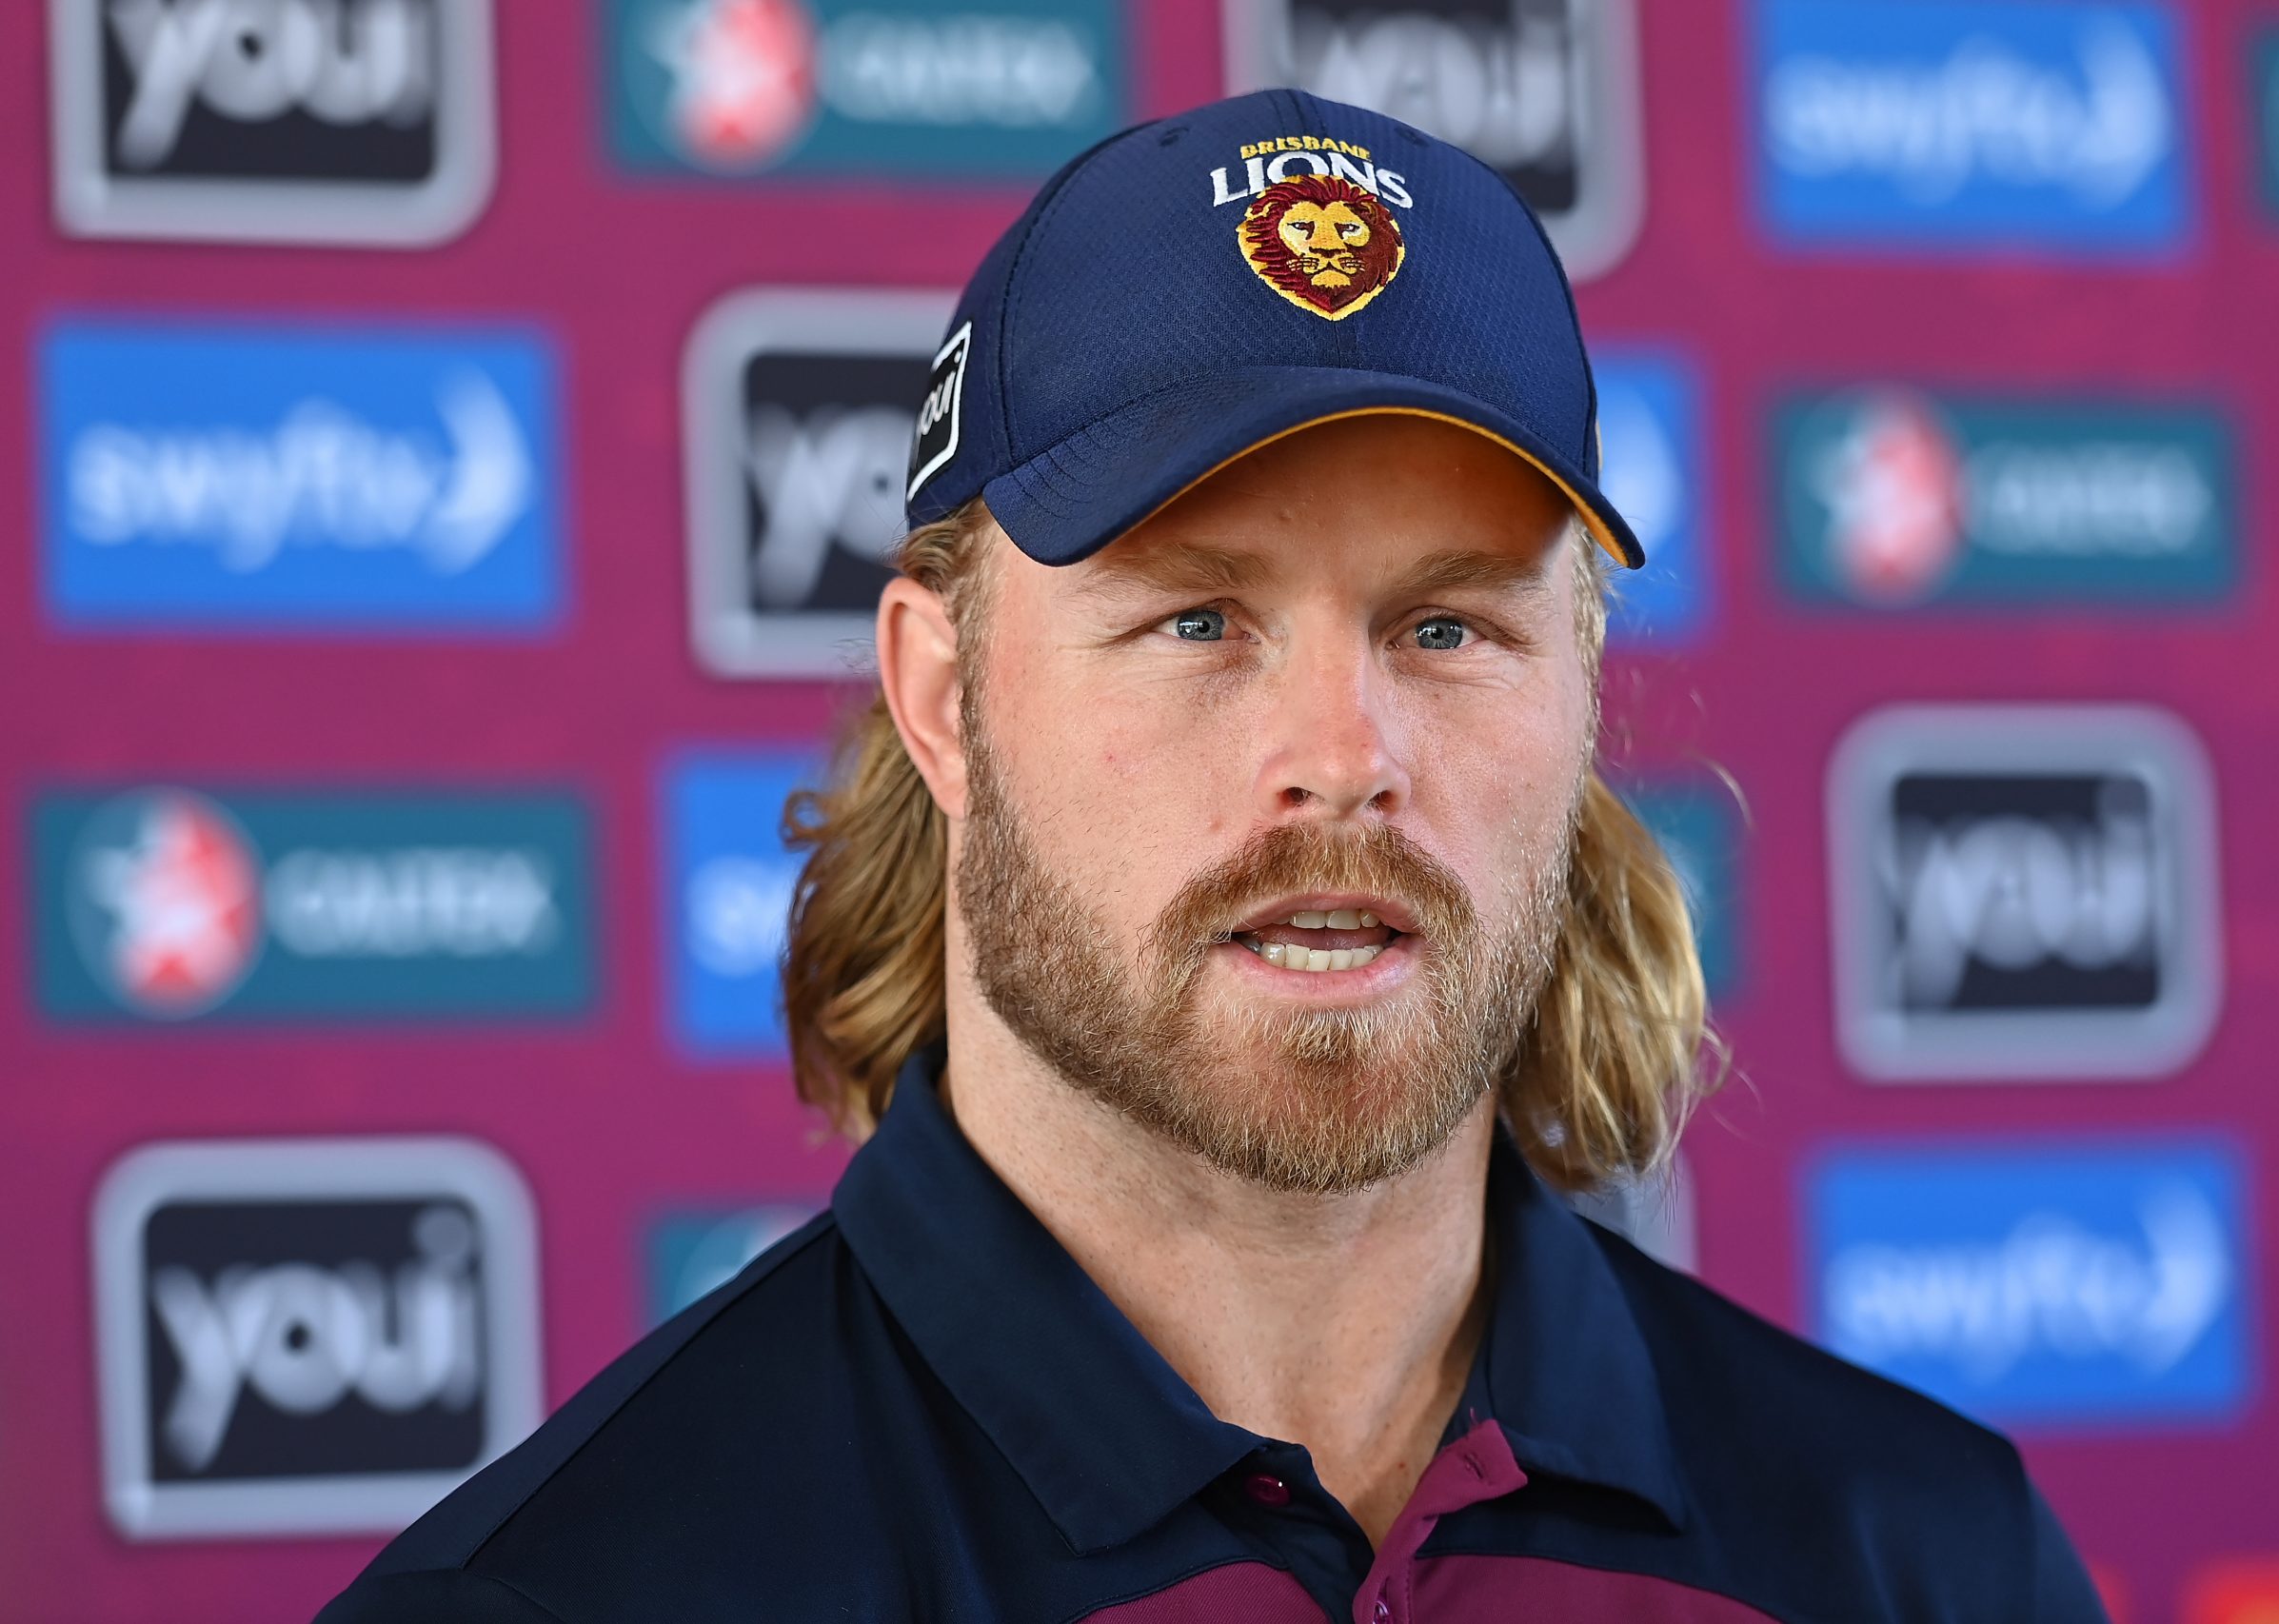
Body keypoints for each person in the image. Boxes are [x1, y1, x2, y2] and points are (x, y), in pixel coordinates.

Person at [318, 89, 2109, 1622]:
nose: (1343, 762)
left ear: (1583, 695)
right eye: (1196, 620)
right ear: (944, 699)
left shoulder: (1929, 1559)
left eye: (1449, 627)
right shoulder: (576, 1594)